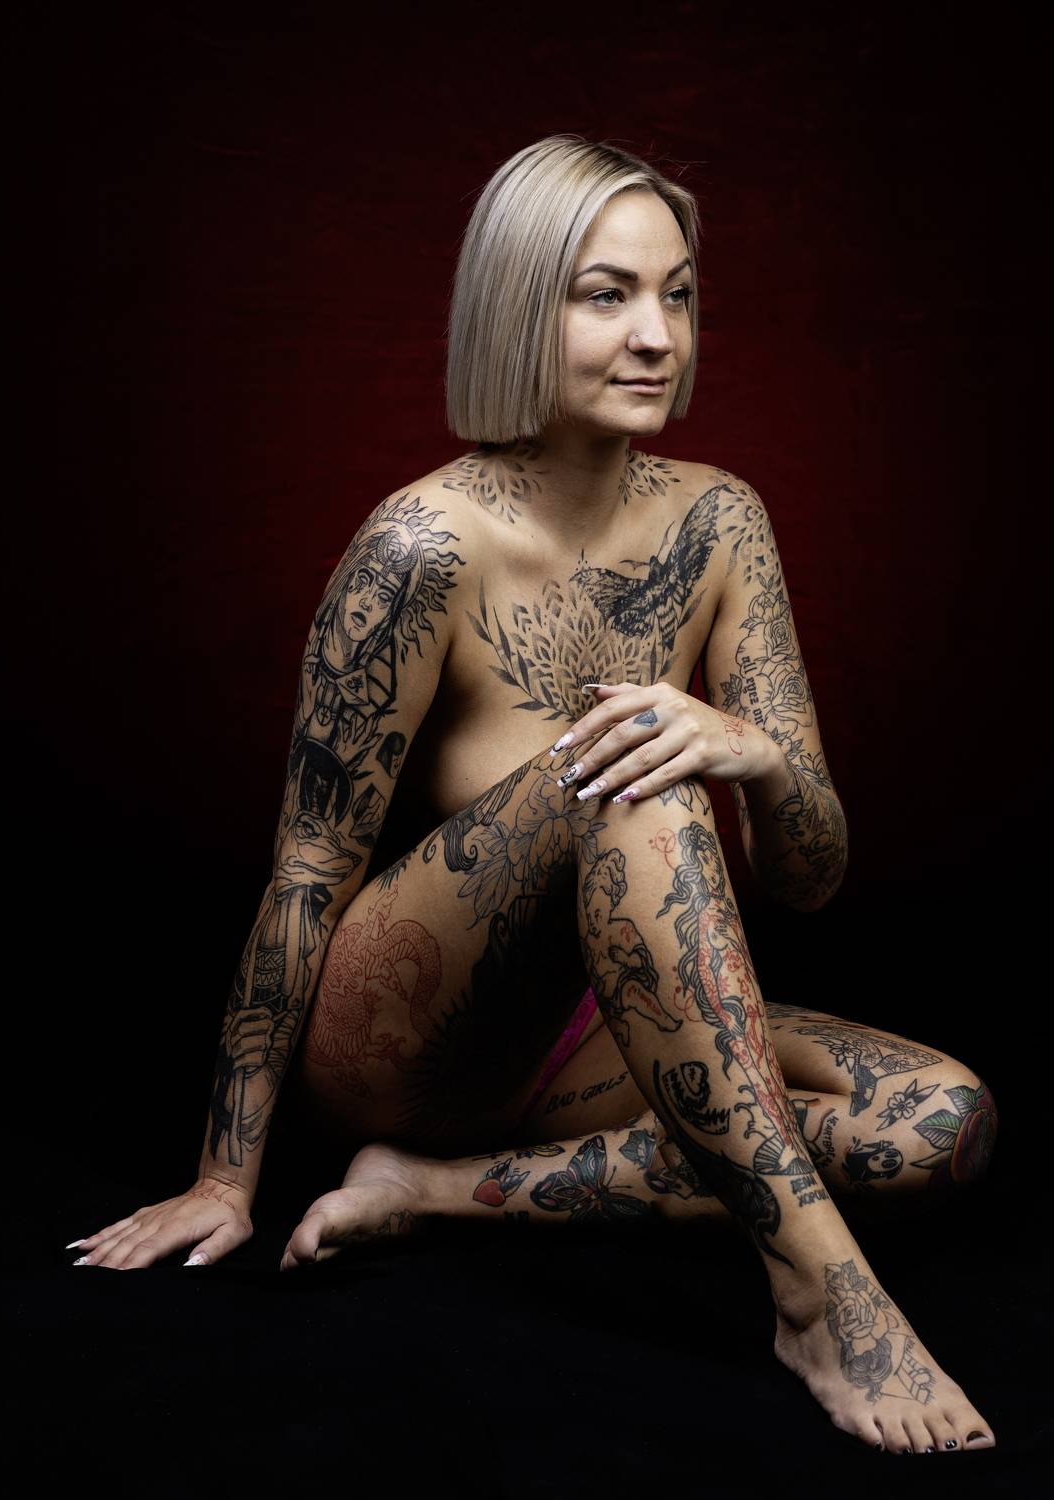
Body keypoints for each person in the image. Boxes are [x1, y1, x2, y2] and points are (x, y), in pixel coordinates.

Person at [68, 134, 1000, 1458]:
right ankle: (822, 1297)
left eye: (677, 295)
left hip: (598, 1047)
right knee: (633, 767)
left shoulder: (721, 523)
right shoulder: (420, 546)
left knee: (940, 1125)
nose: (656, 335)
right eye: (606, 295)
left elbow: (810, 878)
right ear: (517, 311)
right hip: (405, 1037)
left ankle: (437, 1196)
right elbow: (305, 876)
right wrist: (226, 1175)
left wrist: (753, 750)